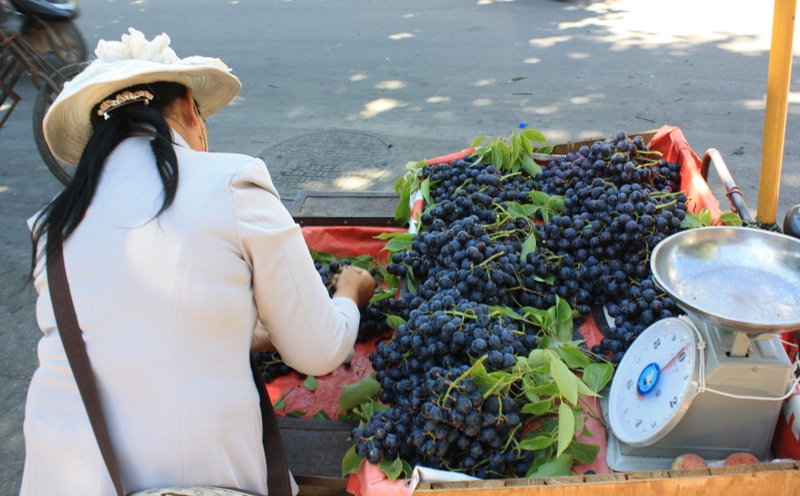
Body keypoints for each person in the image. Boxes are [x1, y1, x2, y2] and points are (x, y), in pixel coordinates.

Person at [21, 28, 376, 495]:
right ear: (190, 106)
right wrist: (348, 293)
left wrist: (234, 330)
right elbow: (320, 350)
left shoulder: (54, 225)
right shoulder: (231, 181)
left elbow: (119, 334)